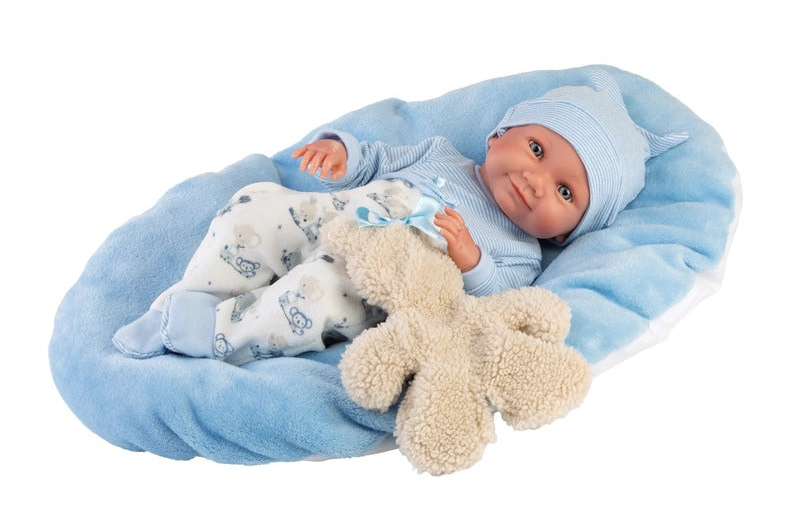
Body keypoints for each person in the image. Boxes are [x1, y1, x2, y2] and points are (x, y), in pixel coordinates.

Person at [113, 69, 687, 365]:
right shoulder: (442, 154)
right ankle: (191, 294)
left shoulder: (520, 252)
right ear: (499, 135)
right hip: (332, 216)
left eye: (565, 191)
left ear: (566, 232)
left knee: (310, 299)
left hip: (368, 282)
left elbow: (495, 297)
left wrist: (472, 260)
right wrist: (341, 153)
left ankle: (216, 333)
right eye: (537, 149)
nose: (537, 180)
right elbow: (377, 159)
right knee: (255, 206)